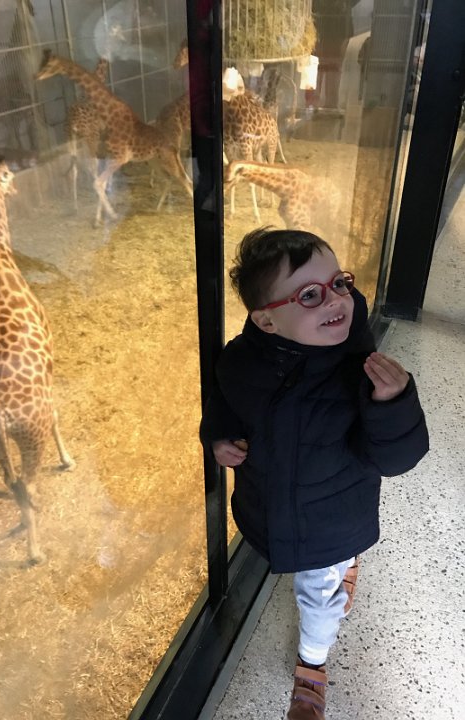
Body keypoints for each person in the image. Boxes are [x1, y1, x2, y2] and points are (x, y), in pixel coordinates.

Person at [200, 227, 429, 720]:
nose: (336, 300)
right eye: (309, 294)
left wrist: (393, 404)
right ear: (266, 320)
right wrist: (219, 437)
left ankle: (312, 666)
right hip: (268, 506)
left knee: (318, 599)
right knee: (322, 582)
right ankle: (346, 568)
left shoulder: (359, 368)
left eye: (338, 283)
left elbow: (396, 459)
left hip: (335, 519)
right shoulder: (239, 362)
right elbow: (224, 402)